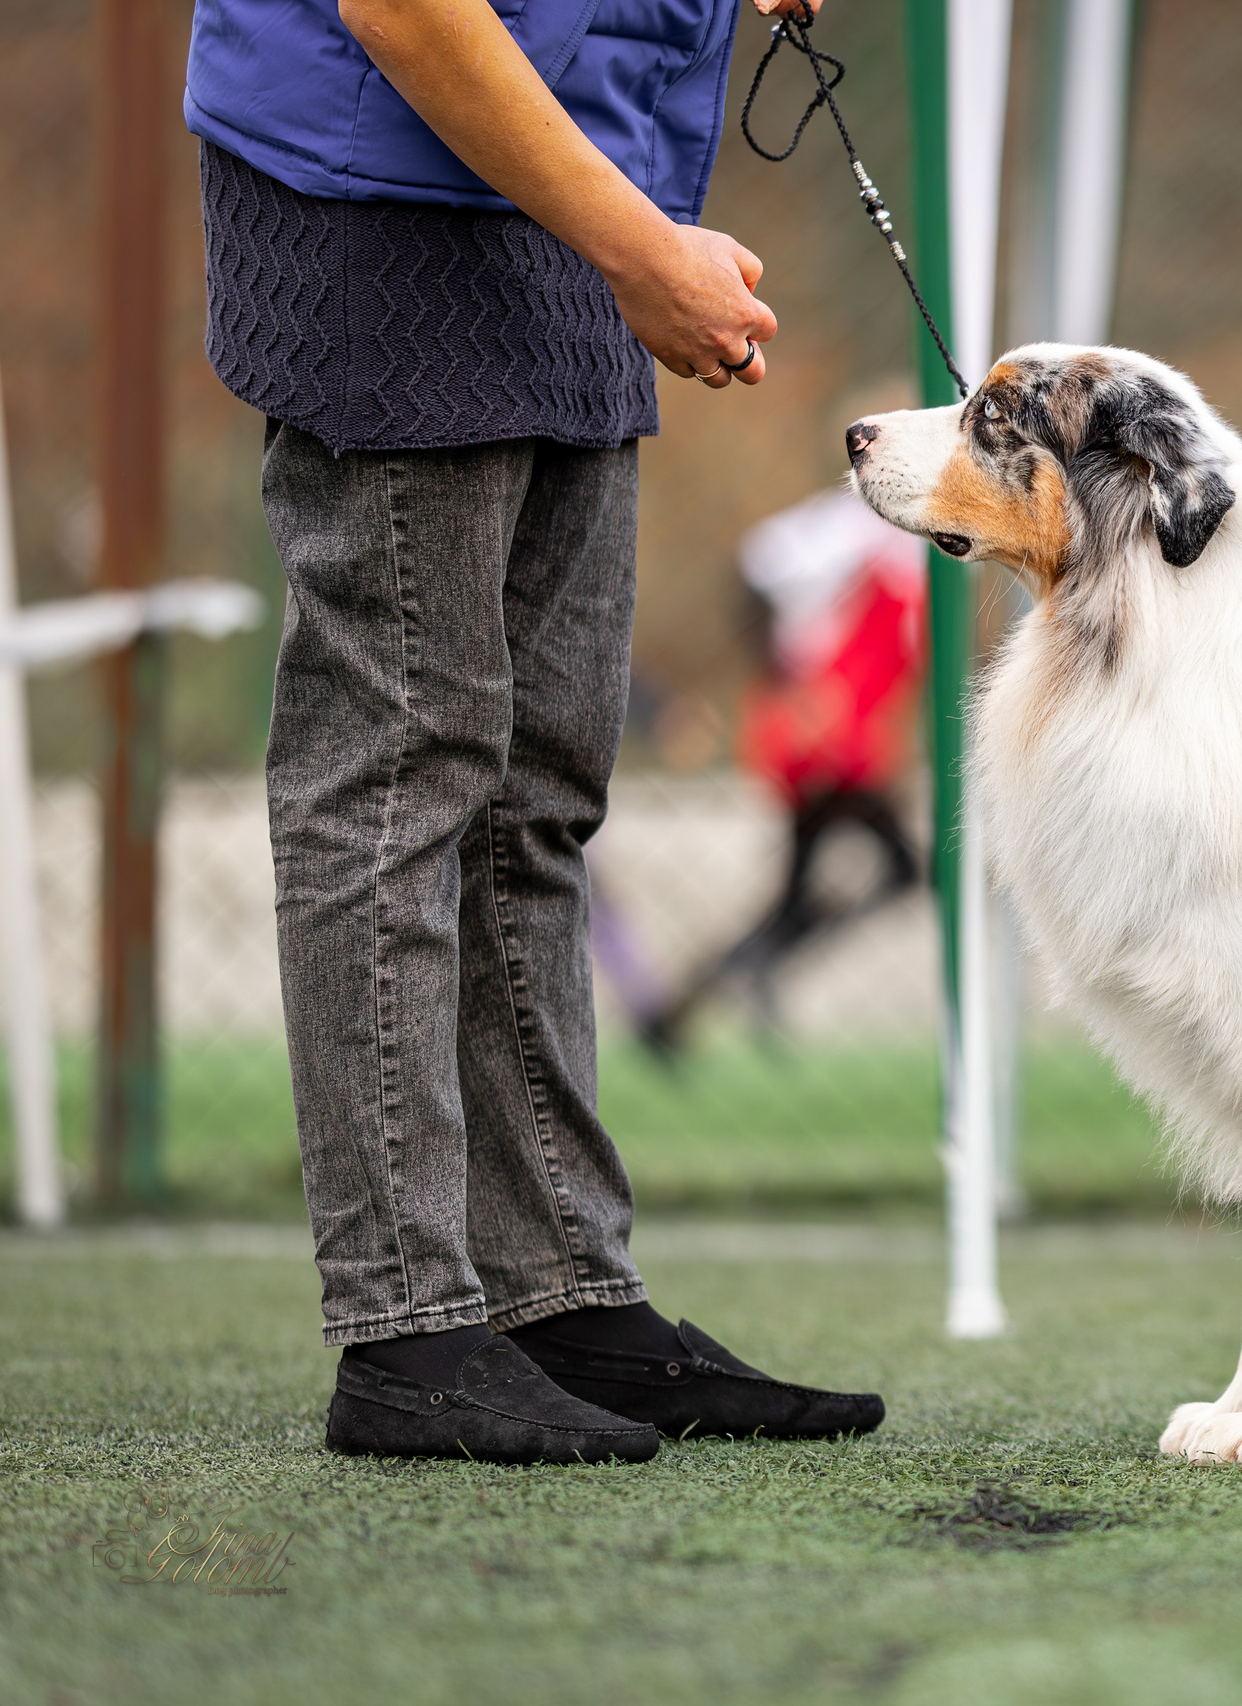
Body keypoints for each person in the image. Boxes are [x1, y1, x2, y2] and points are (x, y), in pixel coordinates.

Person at [186, 0, 883, 1461]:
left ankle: (556, 1293)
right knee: (401, 769)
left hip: (574, 171)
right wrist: (645, 255)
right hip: (383, 179)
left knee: (539, 786)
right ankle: (406, 1329)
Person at [639, 402, 928, 1056]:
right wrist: (791, 691)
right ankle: (751, 970)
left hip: (839, 741)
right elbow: (760, 567)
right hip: (823, 743)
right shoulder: (857, 528)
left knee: (812, 890)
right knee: (906, 872)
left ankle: (693, 1002)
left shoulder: (909, 533)